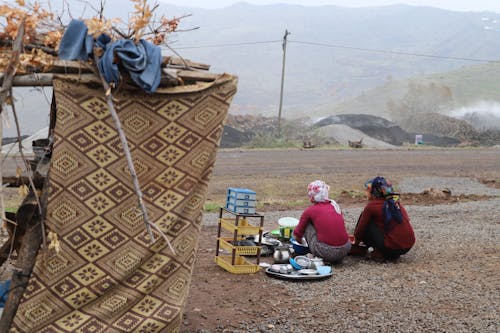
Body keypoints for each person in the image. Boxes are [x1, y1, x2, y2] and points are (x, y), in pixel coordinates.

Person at [354, 176, 415, 261]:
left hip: (391, 247)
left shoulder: (372, 206)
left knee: (366, 222)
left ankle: (383, 252)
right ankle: (391, 253)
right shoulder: (395, 202)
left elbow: (359, 231)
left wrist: (355, 244)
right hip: (408, 246)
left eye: (369, 190)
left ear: (374, 191)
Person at [293, 180, 351, 264]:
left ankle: (322, 258)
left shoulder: (310, 211)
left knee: (307, 224)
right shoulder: (334, 205)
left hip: (326, 252)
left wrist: (302, 243)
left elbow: (297, 234)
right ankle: (336, 258)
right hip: (345, 249)